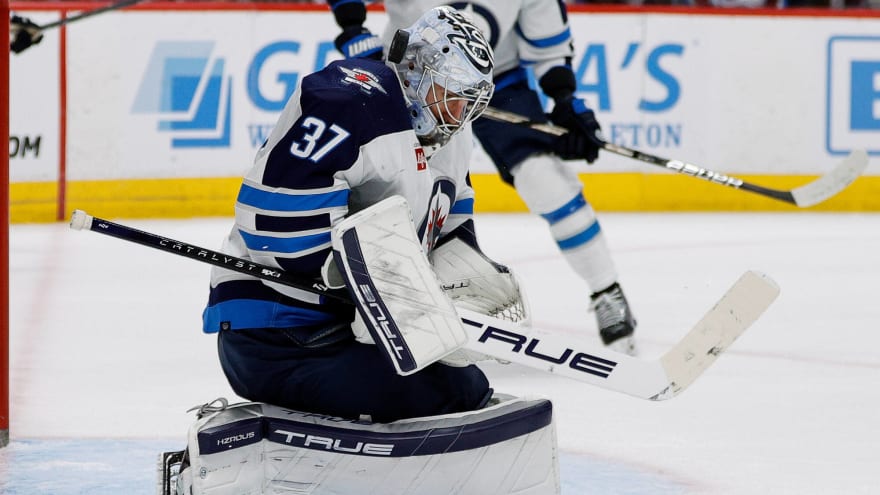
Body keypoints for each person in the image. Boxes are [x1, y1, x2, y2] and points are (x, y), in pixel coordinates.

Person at [202, 6, 500, 423]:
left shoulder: (447, 137)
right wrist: (363, 287)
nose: (457, 117)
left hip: (342, 332)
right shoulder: (350, 101)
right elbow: (270, 225)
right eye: (451, 96)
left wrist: (465, 266)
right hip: (277, 332)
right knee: (448, 394)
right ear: (415, 68)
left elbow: (450, 217)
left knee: (466, 386)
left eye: (468, 105)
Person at [328, 0, 639, 355]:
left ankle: (606, 289)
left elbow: (548, 47)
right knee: (398, 189)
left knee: (545, 178)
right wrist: (352, 28)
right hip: (411, 73)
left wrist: (565, 100)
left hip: (491, 81)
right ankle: (378, 297)